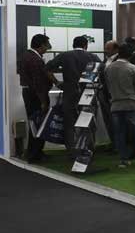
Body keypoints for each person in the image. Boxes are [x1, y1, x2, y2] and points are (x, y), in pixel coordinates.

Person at [46, 36, 101, 157]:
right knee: (88, 121)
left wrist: (58, 83)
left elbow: (47, 69)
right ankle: (88, 149)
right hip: (88, 93)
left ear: (73, 44)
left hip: (69, 93)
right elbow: (101, 72)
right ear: (86, 45)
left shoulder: (64, 56)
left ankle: (72, 150)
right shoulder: (93, 57)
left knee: (69, 123)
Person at [105, 43, 135, 170]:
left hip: (115, 104)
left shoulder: (109, 68)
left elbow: (108, 85)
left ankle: (123, 160)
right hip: (131, 103)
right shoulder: (133, 68)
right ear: (130, 55)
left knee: (120, 133)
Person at [19, 34, 52, 162]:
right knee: (38, 123)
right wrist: (43, 101)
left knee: (34, 123)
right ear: (41, 45)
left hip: (30, 94)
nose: (48, 48)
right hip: (35, 96)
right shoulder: (35, 59)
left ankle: (33, 152)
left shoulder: (27, 56)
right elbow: (38, 83)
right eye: (47, 45)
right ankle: (36, 154)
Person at [97, 40, 119, 150]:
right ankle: (112, 142)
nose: (105, 50)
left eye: (108, 48)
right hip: (104, 94)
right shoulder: (106, 60)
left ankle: (118, 144)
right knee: (108, 120)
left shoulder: (118, 60)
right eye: (105, 48)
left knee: (115, 121)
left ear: (115, 49)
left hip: (114, 95)